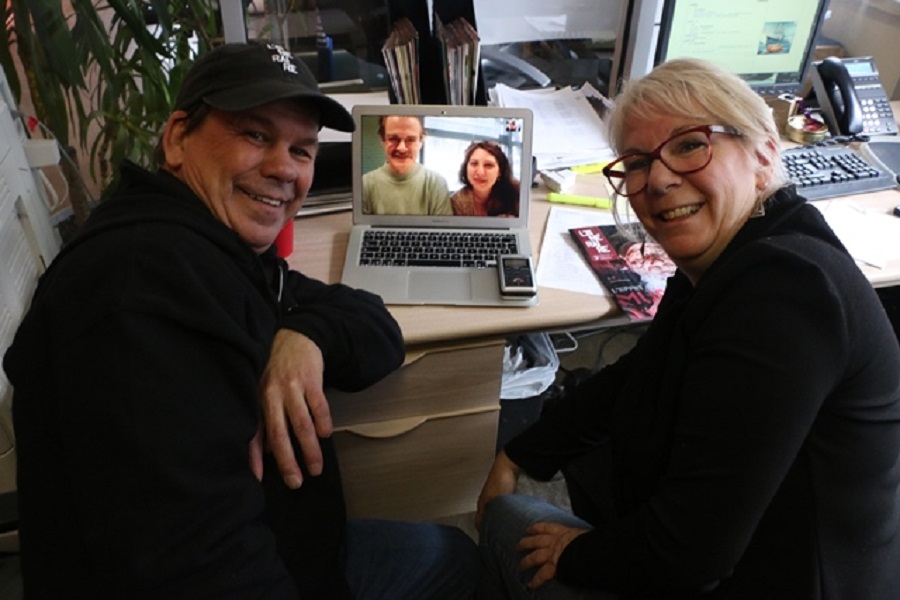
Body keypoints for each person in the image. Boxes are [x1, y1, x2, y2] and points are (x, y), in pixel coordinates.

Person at [3, 42, 477, 599]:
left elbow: (373, 323)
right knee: (458, 563)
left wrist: (305, 335)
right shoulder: (138, 297)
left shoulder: (210, 247)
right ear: (178, 137)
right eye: (255, 135)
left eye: (302, 150)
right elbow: (197, 571)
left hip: (299, 547)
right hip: (270, 570)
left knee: (456, 555)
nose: (283, 168)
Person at [476, 57, 900, 599]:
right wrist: (520, 453)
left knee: (506, 525)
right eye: (636, 162)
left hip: (781, 579)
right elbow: (645, 367)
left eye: (689, 145)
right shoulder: (741, 252)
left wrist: (577, 552)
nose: (656, 178)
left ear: (764, 156)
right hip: (746, 552)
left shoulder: (785, 292)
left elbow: (688, 555)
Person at [362, 115, 452, 215]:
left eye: (410, 139)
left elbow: (440, 229)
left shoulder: (437, 183)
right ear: (382, 141)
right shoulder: (365, 184)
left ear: (421, 142)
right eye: (393, 139)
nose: (401, 148)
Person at [450, 141, 520, 217]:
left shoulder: (517, 192)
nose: (480, 172)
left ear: (500, 171)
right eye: (474, 164)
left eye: (488, 165)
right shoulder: (457, 201)